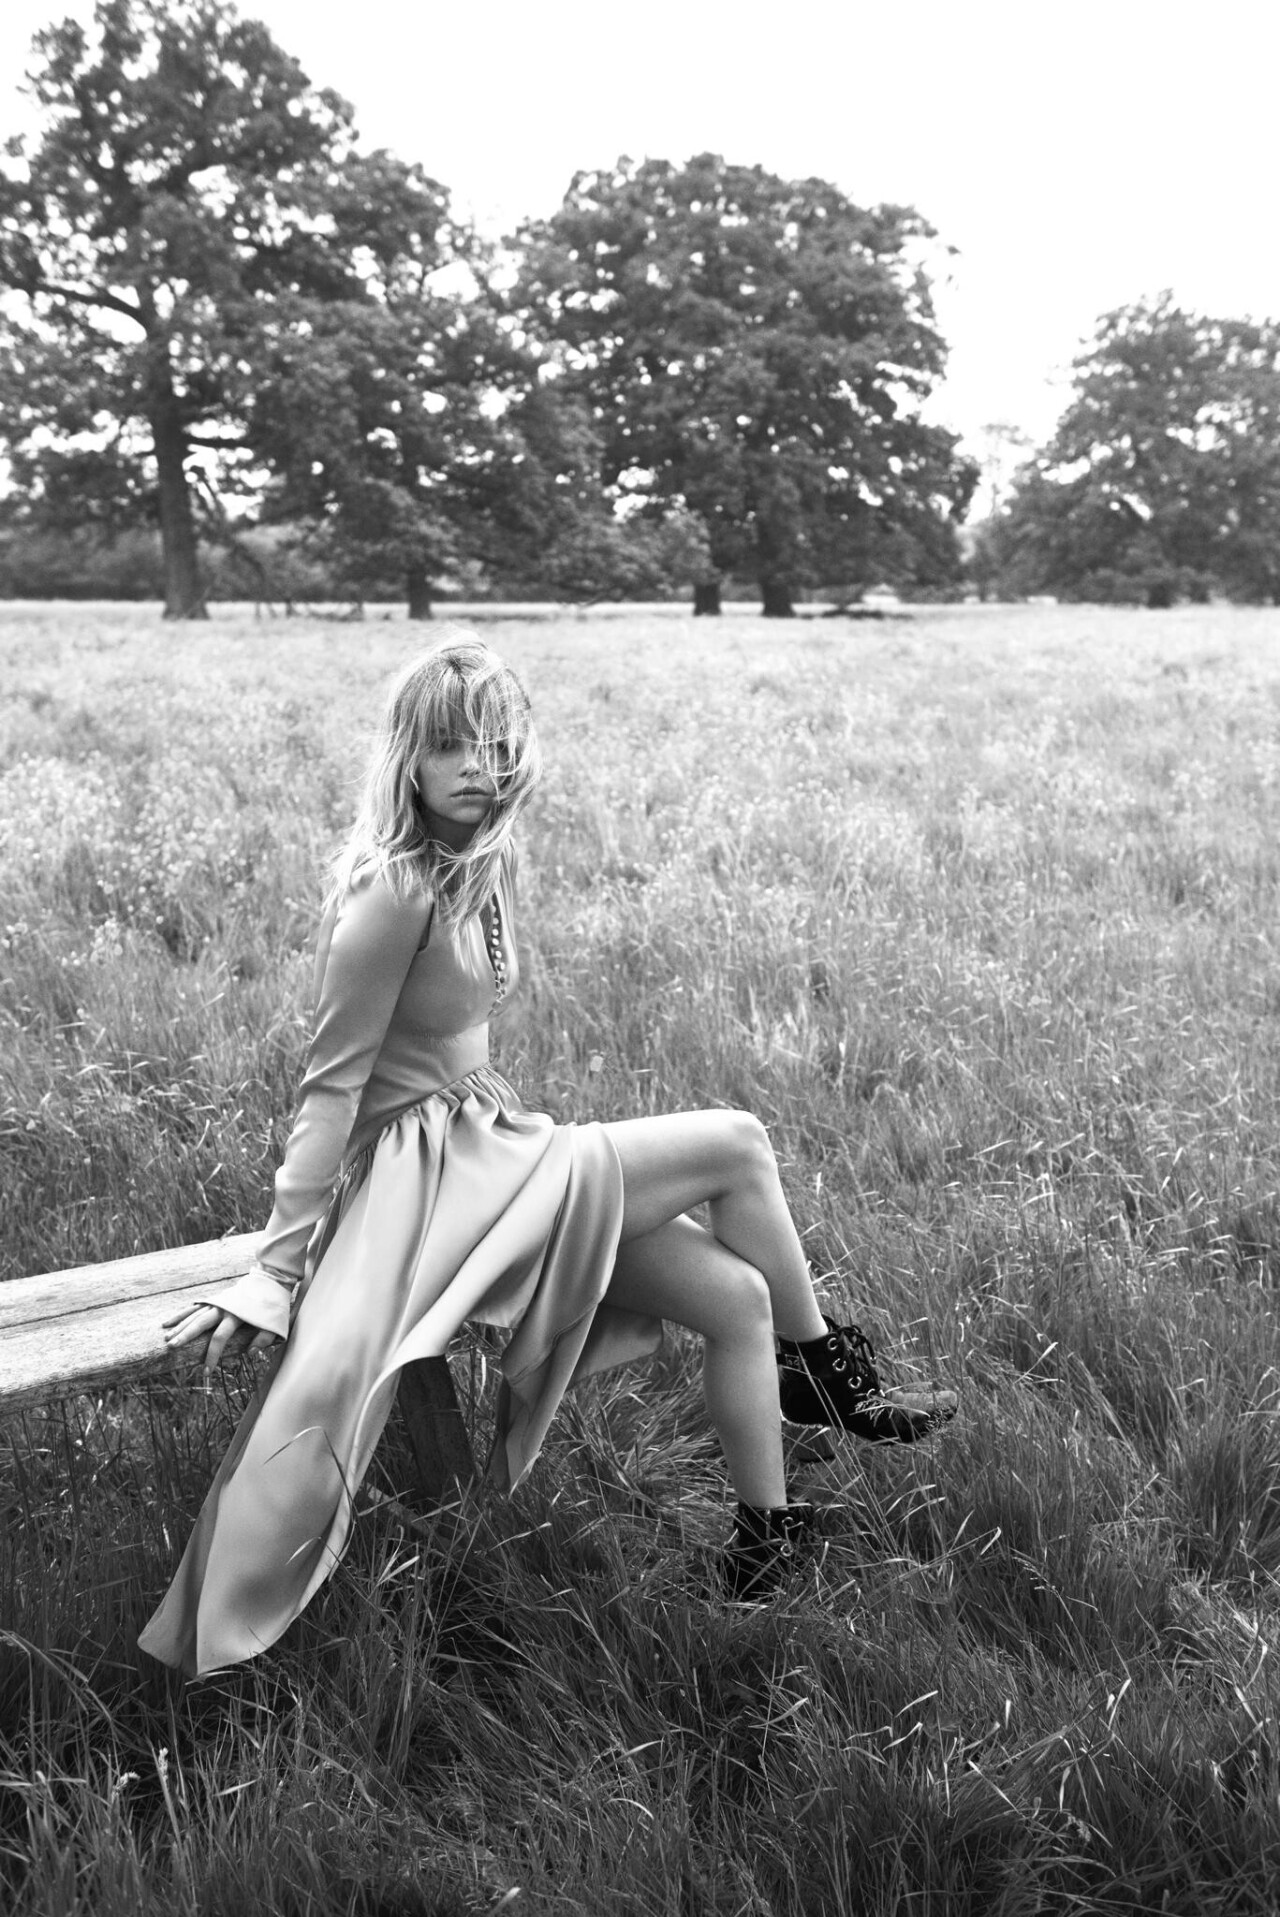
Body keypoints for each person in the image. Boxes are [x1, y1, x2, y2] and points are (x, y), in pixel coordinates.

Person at [140, 635, 955, 1675]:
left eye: (494, 743)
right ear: (407, 758)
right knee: (738, 1141)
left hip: (492, 1145)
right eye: (450, 747)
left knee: (735, 1297)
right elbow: (330, 1090)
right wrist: (275, 1266)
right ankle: (830, 1376)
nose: (476, 767)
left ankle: (765, 1544)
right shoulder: (394, 890)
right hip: (429, 1183)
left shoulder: (482, 862)